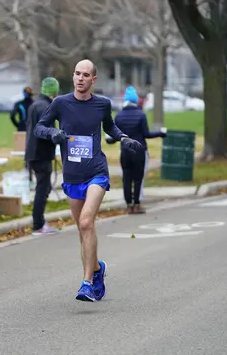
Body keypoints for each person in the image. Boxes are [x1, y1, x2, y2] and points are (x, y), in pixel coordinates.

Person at [35, 59, 143, 302]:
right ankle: (97, 269)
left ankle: (86, 283)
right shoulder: (60, 103)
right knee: (83, 231)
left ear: (93, 79)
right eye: (76, 74)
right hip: (72, 175)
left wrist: (123, 138)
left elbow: (110, 127)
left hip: (96, 171)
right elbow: (39, 128)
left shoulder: (102, 104)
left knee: (86, 222)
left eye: (85, 75)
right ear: (73, 76)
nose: (80, 78)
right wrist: (53, 133)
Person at [106, 86, 166, 214]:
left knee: (126, 179)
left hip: (125, 152)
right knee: (138, 179)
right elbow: (146, 134)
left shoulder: (119, 116)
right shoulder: (141, 115)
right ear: (136, 100)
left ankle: (129, 206)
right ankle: (137, 204)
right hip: (139, 151)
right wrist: (160, 133)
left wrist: (108, 139)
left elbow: (115, 136)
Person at [25, 77, 60, 236]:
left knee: (42, 188)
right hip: (42, 153)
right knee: (43, 189)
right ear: (54, 91)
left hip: (33, 152)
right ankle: (38, 224)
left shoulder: (35, 105)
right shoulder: (46, 107)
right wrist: (57, 137)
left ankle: (39, 222)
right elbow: (46, 131)